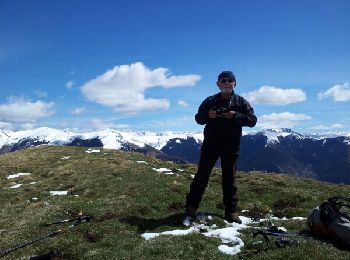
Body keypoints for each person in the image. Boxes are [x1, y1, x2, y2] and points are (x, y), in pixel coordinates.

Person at [184, 71, 257, 224]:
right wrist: (208, 116)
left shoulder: (241, 102)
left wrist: (235, 116)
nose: (227, 83)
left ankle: (230, 212)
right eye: (223, 81)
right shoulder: (209, 101)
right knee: (201, 176)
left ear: (235, 83)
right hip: (210, 145)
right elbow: (198, 118)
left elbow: (252, 120)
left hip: (231, 146)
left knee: (229, 179)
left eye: (230, 80)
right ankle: (191, 208)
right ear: (218, 84)